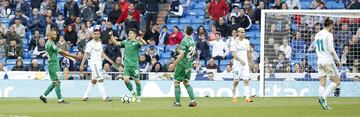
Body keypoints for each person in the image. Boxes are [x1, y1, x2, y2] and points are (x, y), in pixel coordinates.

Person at [39, 31, 77, 104]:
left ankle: (43, 96)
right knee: (57, 82)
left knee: (55, 82)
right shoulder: (50, 44)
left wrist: (68, 57)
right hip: (54, 65)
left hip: (54, 64)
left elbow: (60, 53)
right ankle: (60, 100)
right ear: (49, 35)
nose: (56, 36)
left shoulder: (49, 43)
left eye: (56, 34)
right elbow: (61, 51)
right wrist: (73, 56)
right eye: (54, 34)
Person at [110, 29, 147, 102]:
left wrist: (141, 39)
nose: (128, 34)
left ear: (134, 35)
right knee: (126, 80)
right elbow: (116, 43)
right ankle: (133, 93)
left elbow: (145, 44)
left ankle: (139, 97)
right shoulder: (126, 42)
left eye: (130, 33)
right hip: (127, 65)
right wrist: (111, 36)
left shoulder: (137, 43)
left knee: (137, 82)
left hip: (134, 65)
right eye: (128, 33)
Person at [80, 29, 114, 102]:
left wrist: (109, 60)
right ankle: (104, 97)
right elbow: (86, 54)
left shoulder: (99, 43)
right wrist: (82, 64)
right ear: (93, 35)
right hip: (94, 64)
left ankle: (85, 96)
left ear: (99, 34)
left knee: (94, 80)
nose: (96, 35)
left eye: (97, 33)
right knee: (100, 79)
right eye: (95, 33)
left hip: (99, 64)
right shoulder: (90, 43)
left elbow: (102, 54)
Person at [315, 18, 341, 110]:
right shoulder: (329, 35)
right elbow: (331, 48)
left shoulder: (317, 34)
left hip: (319, 60)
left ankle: (322, 102)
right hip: (327, 61)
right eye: (332, 25)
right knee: (337, 82)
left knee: (322, 83)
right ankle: (323, 98)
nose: (333, 27)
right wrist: (337, 59)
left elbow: (316, 48)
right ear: (330, 25)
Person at [168, 26, 197, 107]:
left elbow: (182, 54)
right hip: (189, 64)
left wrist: (174, 64)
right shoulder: (193, 41)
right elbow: (193, 53)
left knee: (176, 82)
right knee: (186, 81)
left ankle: (177, 103)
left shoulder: (184, 41)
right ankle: (193, 100)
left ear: (185, 31)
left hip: (182, 64)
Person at [231, 28, 253, 103]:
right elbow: (233, 54)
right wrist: (241, 61)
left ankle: (247, 97)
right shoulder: (234, 42)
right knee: (236, 81)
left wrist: (250, 62)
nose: (243, 33)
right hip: (237, 64)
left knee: (246, 80)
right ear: (238, 33)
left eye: (244, 32)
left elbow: (248, 52)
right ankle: (234, 96)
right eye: (241, 32)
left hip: (245, 64)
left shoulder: (247, 41)